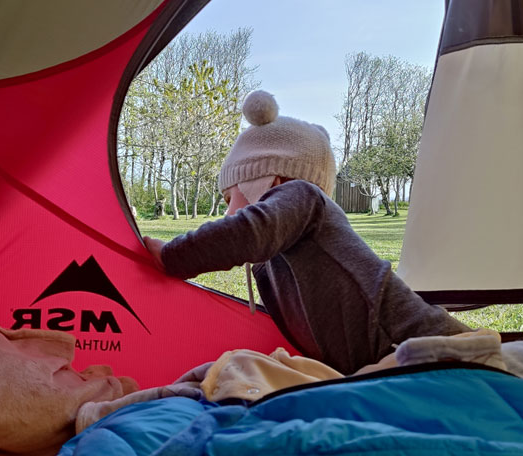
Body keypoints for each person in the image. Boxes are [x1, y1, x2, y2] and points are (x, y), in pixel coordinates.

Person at [143, 90, 470, 377]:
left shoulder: (302, 198)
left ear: (271, 180)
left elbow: (247, 231)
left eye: (232, 199)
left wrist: (172, 256)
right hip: (385, 364)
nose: (229, 213)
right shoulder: (280, 245)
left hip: (428, 348)